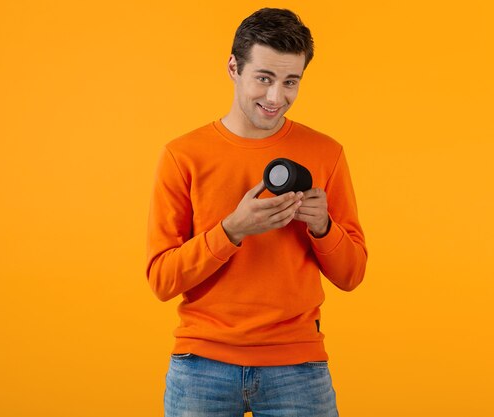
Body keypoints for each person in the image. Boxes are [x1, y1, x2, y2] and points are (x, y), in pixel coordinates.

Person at [146, 8, 367, 417]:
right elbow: (161, 280)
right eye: (264, 78)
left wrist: (323, 227)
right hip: (201, 367)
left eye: (290, 82)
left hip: (298, 368)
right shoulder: (183, 156)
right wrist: (231, 230)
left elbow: (352, 275)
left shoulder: (326, 153)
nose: (275, 98)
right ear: (233, 67)